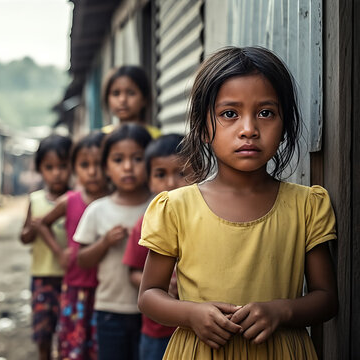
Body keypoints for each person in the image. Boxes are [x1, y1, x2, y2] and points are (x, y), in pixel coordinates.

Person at [137, 46, 338, 359]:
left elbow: (327, 299)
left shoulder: (306, 206)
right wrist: (190, 314)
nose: (249, 129)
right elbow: (149, 295)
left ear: (284, 124)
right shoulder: (176, 207)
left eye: (266, 113)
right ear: (203, 128)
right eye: (229, 114)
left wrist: (281, 311)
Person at [74, 124, 153, 360]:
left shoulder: (158, 207)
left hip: (152, 312)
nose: (128, 167)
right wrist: (105, 243)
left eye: (137, 158)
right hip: (110, 310)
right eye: (118, 160)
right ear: (106, 167)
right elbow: (81, 260)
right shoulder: (98, 210)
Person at [38, 131, 109, 360]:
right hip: (76, 286)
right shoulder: (70, 201)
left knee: (101, 349)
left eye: (98, 164)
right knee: (73, 348)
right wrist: (59, 253)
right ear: (74, 168)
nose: (92, 171)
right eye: (84, 165)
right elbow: (42, 224)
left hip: (106, 288)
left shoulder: (115, 200)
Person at [122, 134, 190, 360]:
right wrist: (161, 286)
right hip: (157, 330)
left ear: (198, 172)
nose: (170, 183)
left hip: (198, 330)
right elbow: (133, 273)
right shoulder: (146, 224)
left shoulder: (205, 220)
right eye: (161, 175)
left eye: (181, 173)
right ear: (148, 180)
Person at [20, 134, 72, 360]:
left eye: (62, 166)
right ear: (40, 169)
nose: (56, 173)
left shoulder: (76, 199)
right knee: (43, 334)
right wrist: (32, 229)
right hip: (42, 278)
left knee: (68, 335)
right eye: (49, 167)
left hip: (70, 279)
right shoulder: (36, 200)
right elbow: (24, 238)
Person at [101, 65, 161, 139]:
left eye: (131, 93)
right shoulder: (102, 137)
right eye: (116, 93)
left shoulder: (156, 138)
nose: (122, 100)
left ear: (145, 98)